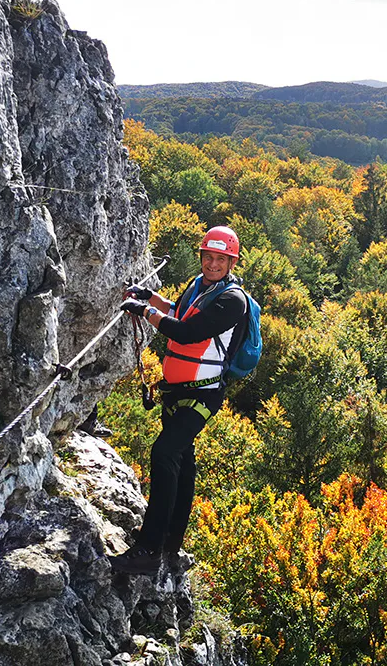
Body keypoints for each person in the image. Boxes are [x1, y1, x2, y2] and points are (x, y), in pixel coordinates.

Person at [109, 225, 250, 575]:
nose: (213, 263)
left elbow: (187, 333)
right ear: (201, 255)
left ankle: (148, 549)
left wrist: (144, 312)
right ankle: (171, 544)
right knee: (183, 462)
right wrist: (149, 297)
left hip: (202, 394)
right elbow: (181, 311)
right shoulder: (199, 286)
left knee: (165, 452)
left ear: (231, 262)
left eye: (221, 259)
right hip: (178, 392)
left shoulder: (233, 301)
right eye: (209, 256)